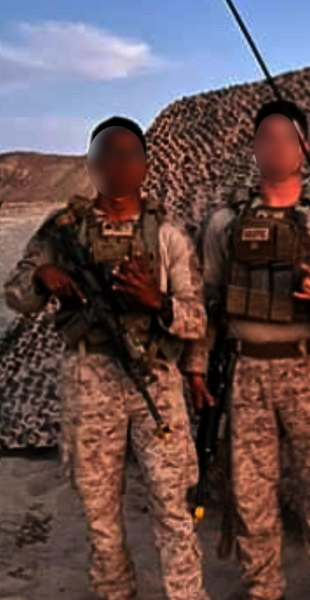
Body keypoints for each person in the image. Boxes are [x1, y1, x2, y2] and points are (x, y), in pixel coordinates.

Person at [3, 116, 211, 600]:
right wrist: (43, 278)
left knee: (174, 507)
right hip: (87, 379)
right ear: (90, 164)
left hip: (153, 378)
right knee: (98, 512)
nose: (117, 164)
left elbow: (199, 320)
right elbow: (15, 294)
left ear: (144, 165)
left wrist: (155, 302)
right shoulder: (59, 232)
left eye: (128, 154)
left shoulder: (169, 236)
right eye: (105, 154)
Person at [182, 99, 310, 600]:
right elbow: (208, 300)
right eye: (267, 137)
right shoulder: (224, 223)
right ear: (255, 147)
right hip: (245, 376)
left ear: (306, 147)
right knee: (251, 497)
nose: (276, 146)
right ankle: (263, 590)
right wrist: (197, 370)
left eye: (288, 137)